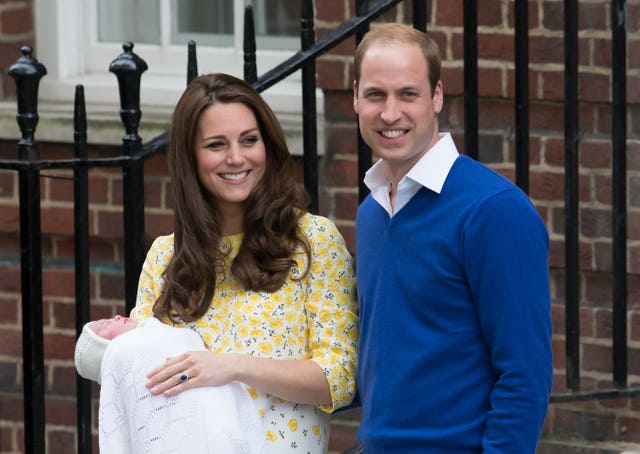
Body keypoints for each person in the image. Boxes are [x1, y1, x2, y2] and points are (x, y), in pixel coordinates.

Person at [129, 73, 359, 453]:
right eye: (216, 145)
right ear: (191, 158)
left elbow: (339, 377)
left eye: (249, 140)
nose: (236, 158)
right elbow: (142, 375)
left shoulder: (312, 241)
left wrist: (232, 366)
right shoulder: (165, 257)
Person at [352, 23, 553, 453]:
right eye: (375, 95)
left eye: (408, 94)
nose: (390, 113)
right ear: (355, 98)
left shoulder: (494, 210)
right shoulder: (371, 214)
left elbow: (525, 373)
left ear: (437, 96)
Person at [74, 315, 269, 453]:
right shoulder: (125, 352)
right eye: (105, 325)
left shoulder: (152, 332)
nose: (116, 317)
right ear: (107, 352)